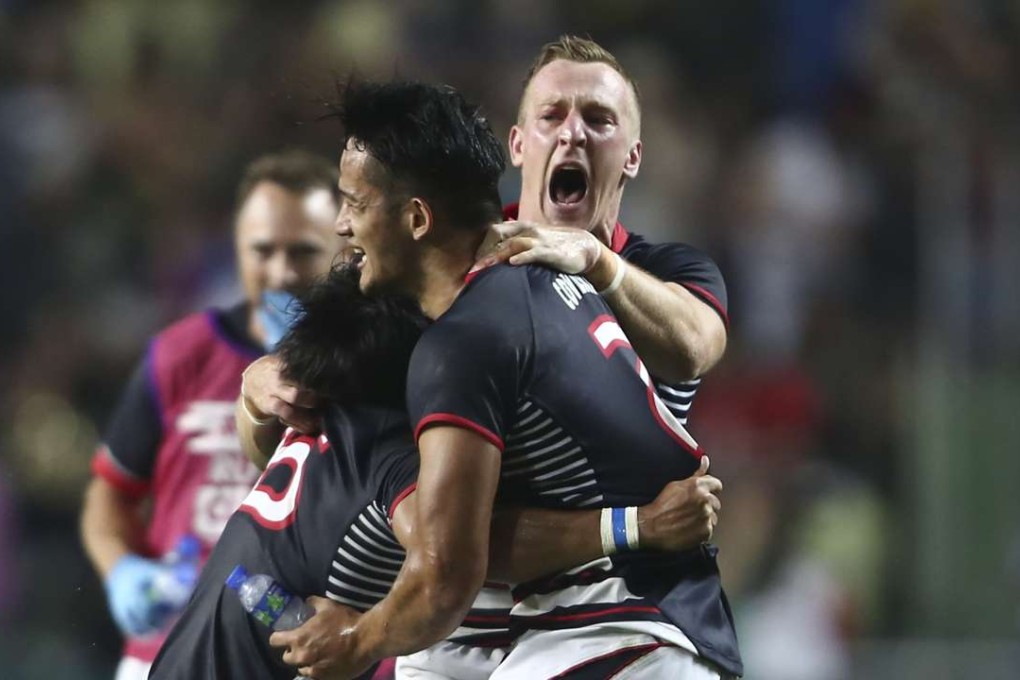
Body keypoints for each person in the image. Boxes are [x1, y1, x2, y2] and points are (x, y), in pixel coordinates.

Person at [257, 79, 740, 679]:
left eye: (354, 207)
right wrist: (260, 386)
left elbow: (450, 565)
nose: (342, 230)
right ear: (516, 145)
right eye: (552, 114)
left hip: (613, 621)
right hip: (525, 626)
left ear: (416, 219)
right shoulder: (532, 282)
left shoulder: (471, 332)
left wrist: (354, 640)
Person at [149, 266, 723, 680]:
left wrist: (253, 390)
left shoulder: (315, 404)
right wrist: (635, 526)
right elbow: (461, 550)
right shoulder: (394, 447)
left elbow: (261, 441)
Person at [79, 150, 343, 680]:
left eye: (304, 251)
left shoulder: (364, 371)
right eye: (262, 250)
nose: (281, 271)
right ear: (236, 249)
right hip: (168, 648)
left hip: (298, 652)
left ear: (343, 246)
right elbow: (109, 494)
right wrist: (123, 573)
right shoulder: (180, 355)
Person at [473, 35, 729, 428]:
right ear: (518, 146)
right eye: (551, 116)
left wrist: (595, 260)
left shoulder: (674, 270)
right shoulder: (465, 263)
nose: (572, 133)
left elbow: (692, 348)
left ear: (632, 157)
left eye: (598, 120)